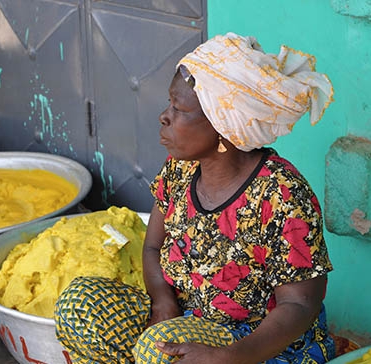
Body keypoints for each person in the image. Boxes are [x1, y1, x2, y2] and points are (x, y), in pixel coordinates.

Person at [54, 32, 335, 364]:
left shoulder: (283, 197)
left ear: (222, 128)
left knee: (157, 351)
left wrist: (230, 356)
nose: (164, 116)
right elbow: (152, 248)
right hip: (184, 317)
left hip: (254, 343)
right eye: (169, 103)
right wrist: (163, 302)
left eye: (179, 108)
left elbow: (300, 305)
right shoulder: (179, 170)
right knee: (79, 306)